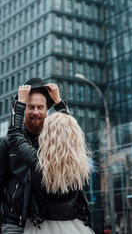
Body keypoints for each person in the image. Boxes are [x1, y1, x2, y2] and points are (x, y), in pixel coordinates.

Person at [7, 84, 93, 234]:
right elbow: (68, 131)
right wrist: (59, 102)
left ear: (48, 137)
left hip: (41, 228)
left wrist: (20, 103)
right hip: (73, 227)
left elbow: (14, 136)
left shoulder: (38, 162)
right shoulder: (79, 163)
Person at [0, 78, 70, 233]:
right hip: (14, 223)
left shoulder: (55, 143)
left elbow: (69, 138)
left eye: (40, 107)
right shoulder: (7, 143)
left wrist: (58, 101)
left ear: (47, 110)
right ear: (23, 109)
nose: (36, 112)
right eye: (30, 107)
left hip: (49, 223)